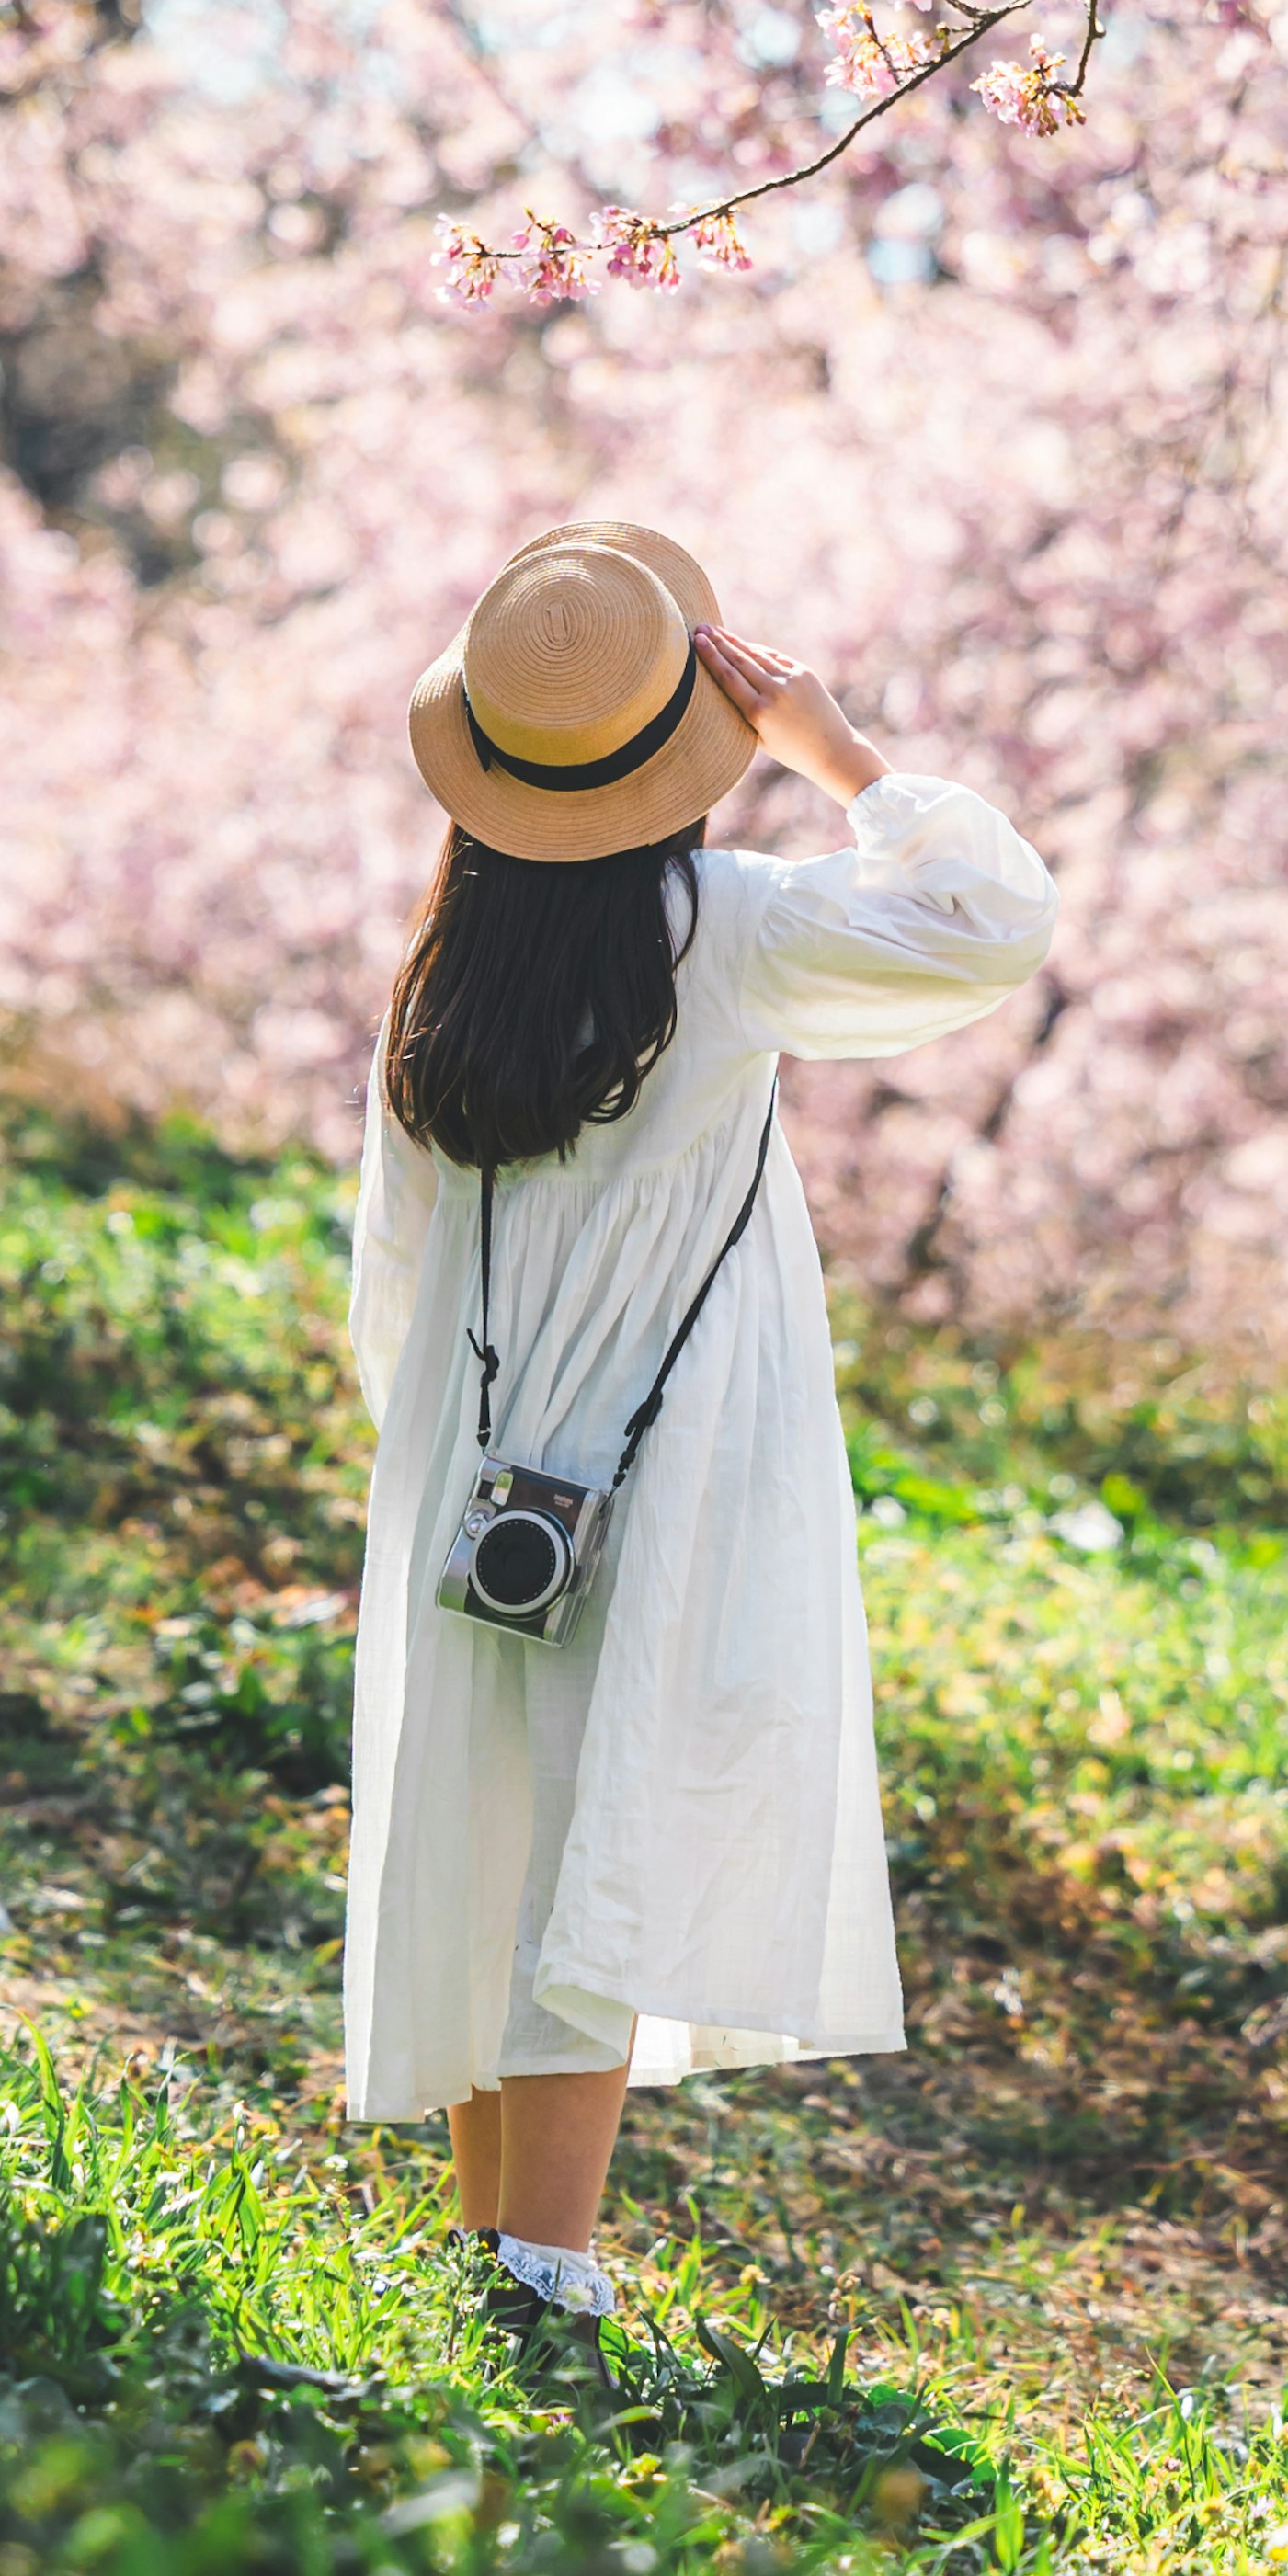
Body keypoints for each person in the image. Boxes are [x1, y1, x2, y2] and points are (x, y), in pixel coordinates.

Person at [341, 517, 1059, 2357]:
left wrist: (436, 1447)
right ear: (681, 755)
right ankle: (550, 2271)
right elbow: (994, 924)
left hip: (478, 1455)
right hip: (667, 1451)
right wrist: (838, 755)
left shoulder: (443, 979)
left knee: (486, 1818)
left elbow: (394, 1257)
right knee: (608, 1813)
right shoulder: (721, 935)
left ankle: (495, 2234)